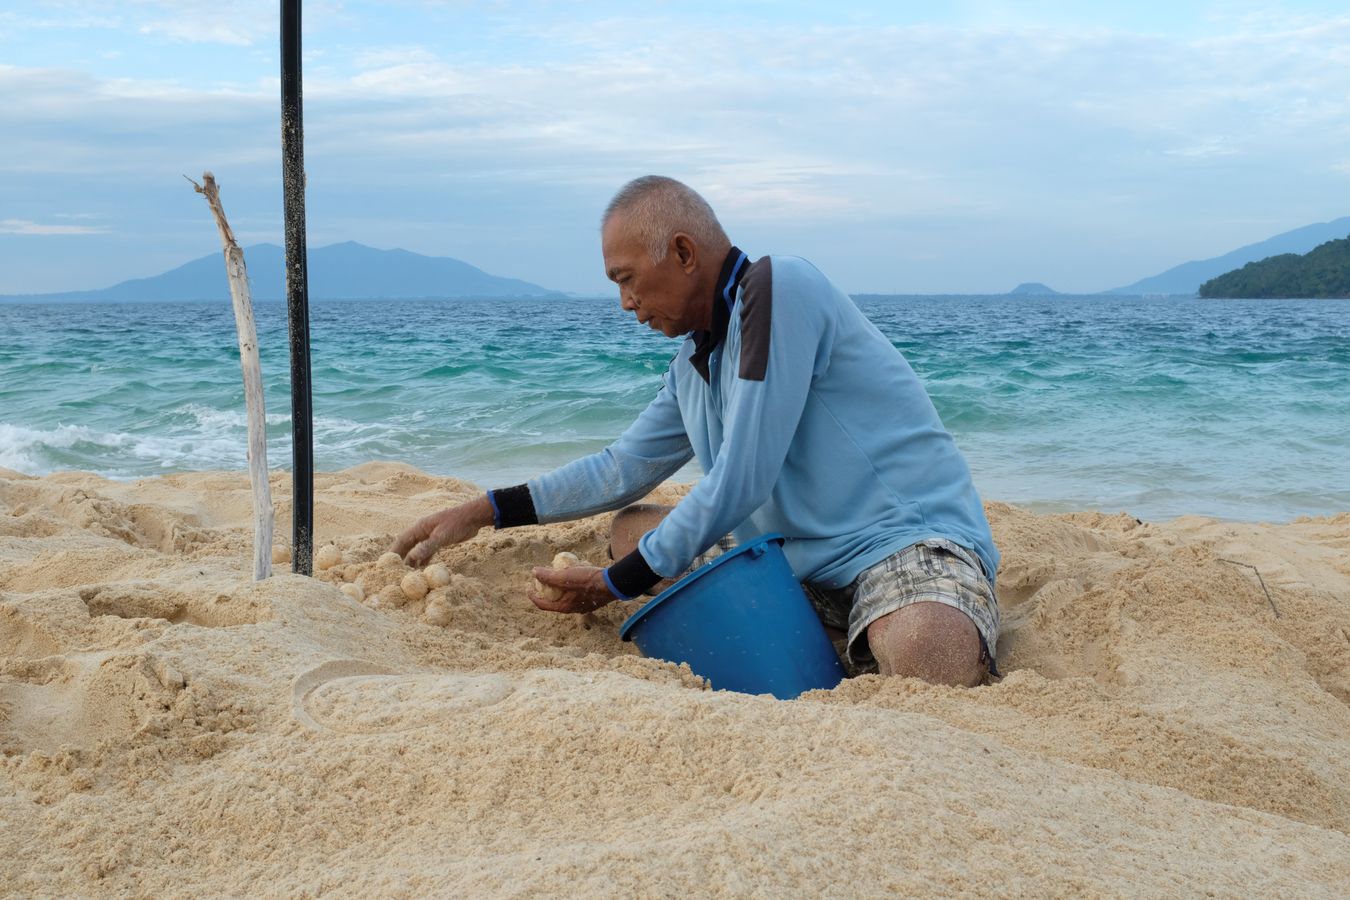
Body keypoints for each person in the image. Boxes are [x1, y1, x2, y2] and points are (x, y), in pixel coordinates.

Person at [392, 175, 1000, 687]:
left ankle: (877, 640)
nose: (626, 302)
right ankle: (842, 644)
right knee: (632, 529)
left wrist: (614, 584)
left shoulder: (781, 287)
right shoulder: (692, 364)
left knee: (927, 648)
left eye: (626, 278)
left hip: (900, 546)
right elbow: (621, 467)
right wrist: (483, 511)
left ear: (683, 253)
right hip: (791, 570)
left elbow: (743, 477)